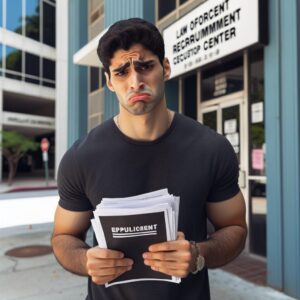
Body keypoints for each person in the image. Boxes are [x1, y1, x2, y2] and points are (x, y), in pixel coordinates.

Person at [52, 18, 247, 300]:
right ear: (109, 81)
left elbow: (235, 228)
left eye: (145, 66)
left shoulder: (211, 149)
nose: (135, 81)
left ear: (165, 68)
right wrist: (85, 261)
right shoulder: (81, 158)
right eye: (121, 71)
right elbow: (63, 237)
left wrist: (198, 254)